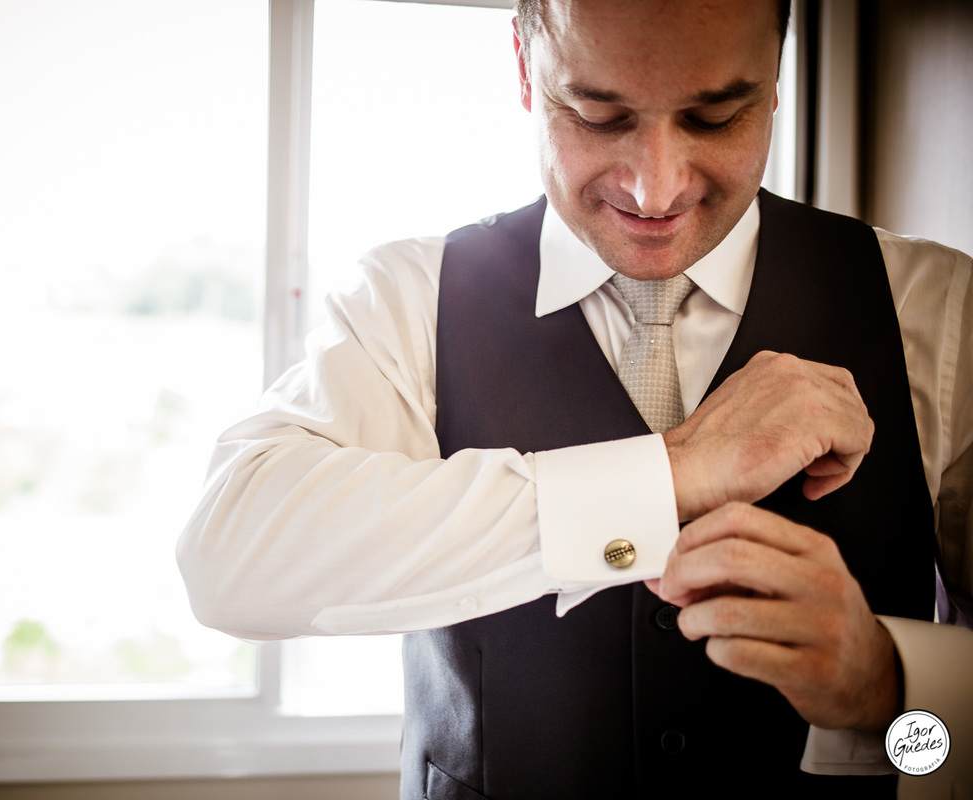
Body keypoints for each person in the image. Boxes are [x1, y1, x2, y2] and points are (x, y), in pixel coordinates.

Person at [178, 0, 973, 796]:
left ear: (773, 85)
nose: (655, 188)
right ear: (527, 70)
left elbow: (950, 758)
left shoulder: (936, 310)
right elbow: (229, 557)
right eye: (598, 116)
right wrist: (668, 473)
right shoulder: (410, 297)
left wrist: (891, 695)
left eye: (714, 116)